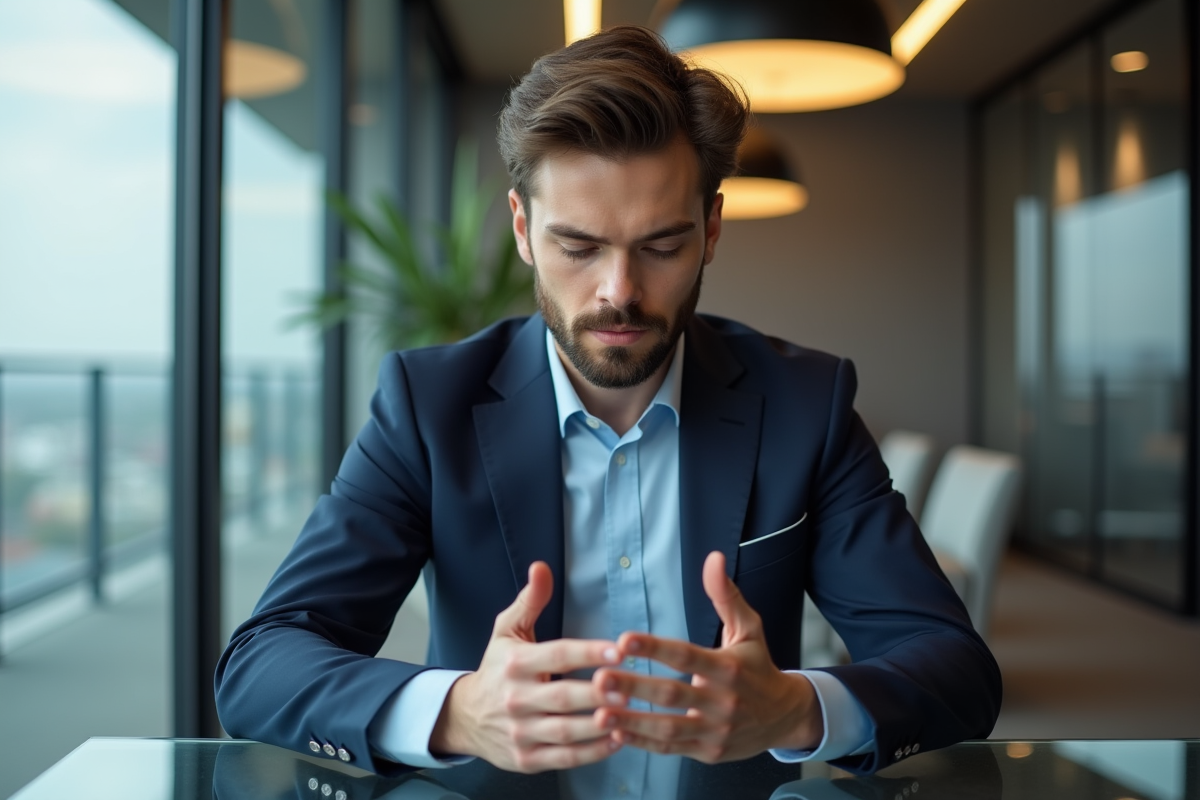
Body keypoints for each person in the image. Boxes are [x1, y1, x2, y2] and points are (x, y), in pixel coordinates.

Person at [214, 25, 1001, 781]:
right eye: (578, 247)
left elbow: (955, 667)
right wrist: (459, 713)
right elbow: (263, 663)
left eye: (661, 246)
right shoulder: (428, 407)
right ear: (523, 229)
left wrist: (794, 708)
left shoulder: (805, 403)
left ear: (712, 229)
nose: (618, 291)